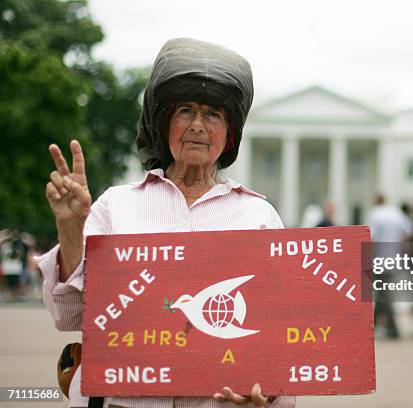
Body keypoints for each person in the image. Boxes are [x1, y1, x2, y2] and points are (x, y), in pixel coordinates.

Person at [36, 38, 296, 408]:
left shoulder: (258, 217)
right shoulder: (116, 205)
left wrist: (265, 395)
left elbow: (279, 337)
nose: (198, 126)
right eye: (185, 111)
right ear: (164, 122)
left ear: (230, 134)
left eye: (213, 114)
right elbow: (68, 315)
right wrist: (70, 228)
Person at [367, 193, 413, 339]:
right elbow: (409, 231)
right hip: (394, 258)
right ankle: (373, 327)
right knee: (383, 293)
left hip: (379, 259)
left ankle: (393, 329)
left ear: (375, 201)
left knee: (384, 295)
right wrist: (402, 249)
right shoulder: (396, 212)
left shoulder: (374, 214)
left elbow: (371, 238)